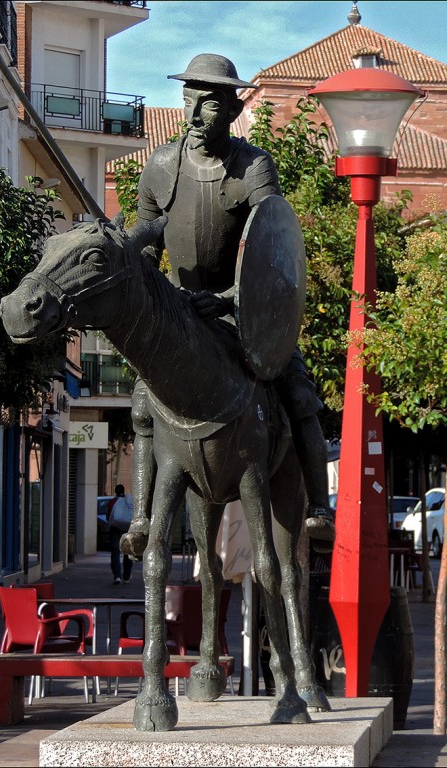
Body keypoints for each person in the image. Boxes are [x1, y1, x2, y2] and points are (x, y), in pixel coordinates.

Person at [125, 53, 334, 553]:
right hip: (180, 317)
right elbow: (151, 247)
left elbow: (272, 249)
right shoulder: (159, 166)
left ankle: (319, 505)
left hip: (243, 314)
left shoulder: (253, 166)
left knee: (301, 396)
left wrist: (228, 302)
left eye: (210, 104)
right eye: (189, 100)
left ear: (234, 109)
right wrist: (125, 251)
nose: (195, 114)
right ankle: (140, 517)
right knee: (140, 405)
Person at [108, 484, 134, 585]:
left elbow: (109, 516)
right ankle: (126, 576)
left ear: (115, 491)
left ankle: (117, 576)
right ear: (123, 491)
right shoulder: (129, 501)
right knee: (128, 553)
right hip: (128, 529)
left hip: (115, 529)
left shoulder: (113, 502)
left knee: (115, 553)